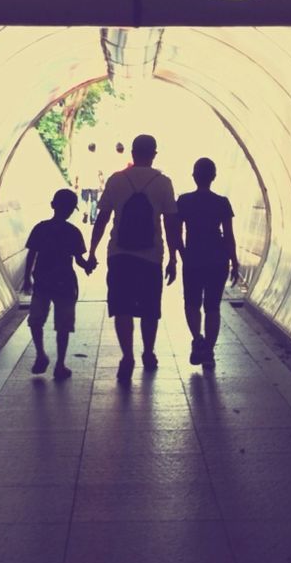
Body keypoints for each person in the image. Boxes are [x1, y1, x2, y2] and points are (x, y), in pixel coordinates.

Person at [86, 133, 182, 384]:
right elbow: (171, 222)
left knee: (122, 307)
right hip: (151, 256)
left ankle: (127, 356)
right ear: (154, 154)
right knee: (150, 308)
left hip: (119, 254)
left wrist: (93, 250)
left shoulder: (117, 180)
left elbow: (103, 218)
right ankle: (148, 352)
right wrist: (173, 257)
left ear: (132, 152)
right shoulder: (164, 182)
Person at [174, 157, 240, 370]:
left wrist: (182, 255)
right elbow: (229, 235)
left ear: (194, 176)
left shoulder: (183, 201)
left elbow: (176, 234)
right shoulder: (222, 202)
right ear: (214, 177)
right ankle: (209, 351)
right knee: (212, 306)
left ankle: (197, 339)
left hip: (193, 256)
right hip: (217, 258)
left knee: (191, 303)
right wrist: (234, 261)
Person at [22, 188, 91, 380]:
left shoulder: (40, 228)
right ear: (72, 210)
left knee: (36, 320)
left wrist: (27, 277)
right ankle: (60, 364)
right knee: (63, 325)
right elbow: (79, 260)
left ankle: (40, 354)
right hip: (65, 282)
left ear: (53, 205)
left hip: (42, 280)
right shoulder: (72, 232)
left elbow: (32, 254)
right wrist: (89, 265)